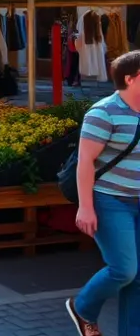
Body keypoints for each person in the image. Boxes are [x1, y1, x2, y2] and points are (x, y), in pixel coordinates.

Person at [68, 50, 140, 336]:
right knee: (124, 270)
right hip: (111, 201)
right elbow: (85, 162)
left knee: (139, 279)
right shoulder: (103, 112)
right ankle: (83, 307)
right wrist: (85, 207)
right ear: (131, 79)